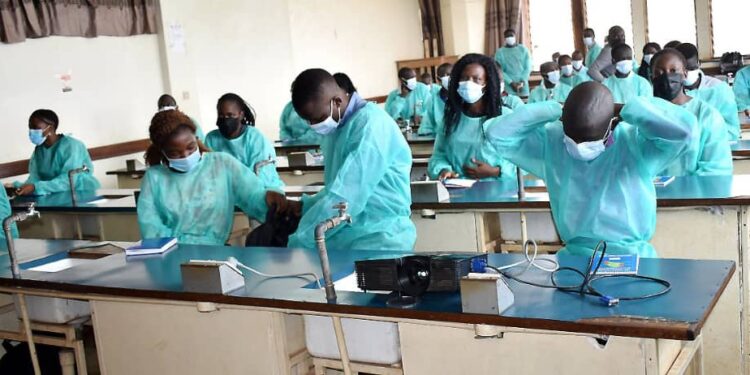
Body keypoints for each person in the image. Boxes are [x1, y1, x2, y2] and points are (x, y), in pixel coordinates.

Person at [482, 81, 695, 257]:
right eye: (572, 138)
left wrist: (629, 109)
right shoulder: (553, 142)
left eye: (589, 140)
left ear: (611, 126)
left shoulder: (635, 143)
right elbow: (497, 134)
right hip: (574, 258)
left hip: (632, 257)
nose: (579, 147)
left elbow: (684, 131)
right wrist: (553, 108)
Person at [286, 68, 416, 251]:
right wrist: (306, 206)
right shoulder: (337, 128)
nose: (315, 126)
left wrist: (301, 240)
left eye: (318, 119)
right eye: (309, 121)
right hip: (348, 232)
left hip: (379, 236)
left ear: (337, 102)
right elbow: (336, 187)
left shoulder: (370, 125)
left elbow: (347, 194)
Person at [137, 109, 288, 245]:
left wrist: (271, 198)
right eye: (174, 153)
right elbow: (150, 227)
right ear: (162, 151)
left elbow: (253, 195)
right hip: (172, 254)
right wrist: (180, 245)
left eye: (191, 147)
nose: (185, 156)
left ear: (196, 139)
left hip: (216, 252)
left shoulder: (221, 164)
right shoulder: (154, 178)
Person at [428, 54, 518, 182]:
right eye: (464, 78)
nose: (468, 83)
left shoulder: (505, 117)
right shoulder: (451, 118)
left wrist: (495, 171)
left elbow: (524, 161)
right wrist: (444, 170)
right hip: (458, 190)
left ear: (487, 83)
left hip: (498, 190)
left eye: (477, 79)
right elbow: (438, 155)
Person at [651, 49, 732, 176]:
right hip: (650, 194)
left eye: (673, 71)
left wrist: (683, 191)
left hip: (694, 193)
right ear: (652, 77)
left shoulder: (706, 115)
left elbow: (715, 169)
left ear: (684, 74)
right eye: (659, 72)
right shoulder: (646, 114)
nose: (667, 76)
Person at [11, 109, 100, 196]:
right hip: (56, 195)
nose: (31, 131)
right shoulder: (39, 150)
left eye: (36, 128)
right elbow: (35, 177)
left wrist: (35, 187)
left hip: (81, 193)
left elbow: (68, 180)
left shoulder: (72, 146)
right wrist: (18, 187)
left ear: (51, 128)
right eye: (30, 127)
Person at [205, 93, 284, 189]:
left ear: (241, 115)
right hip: (227, 195)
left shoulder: (254, 138)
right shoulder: (212, 138)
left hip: (263, 192)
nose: (225, 119)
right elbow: (209, 173)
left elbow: (260, 176)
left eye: (230, 115)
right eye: (221, 115)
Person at [676, 43, 741, 140]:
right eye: (683, 69)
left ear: (699, 63)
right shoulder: (670, 92)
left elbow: (732, 131)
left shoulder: (719, 89)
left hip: (715, 148)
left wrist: (702, 136)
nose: (687, 73)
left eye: (691, 68)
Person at [494, 29, 532, 97]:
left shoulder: (523, 50)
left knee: (524, 104)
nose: (509, 38)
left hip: (523, 85)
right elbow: (499, 70)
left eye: (511, 35)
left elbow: (528, 67)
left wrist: (522, 82)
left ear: (515, 36)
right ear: (504, 38)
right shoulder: (500, 52)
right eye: (507, 36)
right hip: (508, 86)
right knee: (510, 104)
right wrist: (511, 83)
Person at [422, 63, 453, 136]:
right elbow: (425, 127)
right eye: (443, 75)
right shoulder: (433, 100)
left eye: (450, 74)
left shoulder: (463, 98)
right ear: (438, 79)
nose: (447, 78)